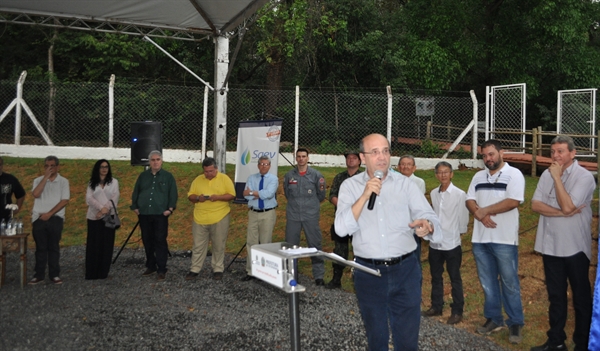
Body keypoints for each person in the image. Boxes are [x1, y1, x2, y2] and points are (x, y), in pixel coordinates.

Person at [334, 133, 441, 350]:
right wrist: (364, 195)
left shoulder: (406, 184)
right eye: (375, 152)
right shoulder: (350, 187)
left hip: (406, 270)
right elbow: (341, 229)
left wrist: (427, 226)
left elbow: (430, 216)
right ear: (363, 158)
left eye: (385, 151)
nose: (382, 157)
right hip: (369, 273)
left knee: (408, 337)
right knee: (377, 336)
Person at [530, 135, 595, 351]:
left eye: (560, 151)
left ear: (572, 153)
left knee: (580, 298)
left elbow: (569, 207)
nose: (555, 156)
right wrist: (561, 212)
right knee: (556, 296)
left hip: (575, 247)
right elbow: (536, 205)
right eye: (553, 152)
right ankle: (556, 341)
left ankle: (583, 343)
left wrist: (558, 178)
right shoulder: (547, 174)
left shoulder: (584, 177)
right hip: (551, 246)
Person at [466, 139, 525, 344]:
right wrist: (479, 214)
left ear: (501, 153)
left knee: (509, 282)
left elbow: (513, 201)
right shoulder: (478, 175)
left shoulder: (514, 174)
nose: (487, 159)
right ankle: (494, 318)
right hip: (480, 239)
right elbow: (469, 200)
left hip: (504, 239)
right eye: (484, 155)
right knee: (488, 282)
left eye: (491, 154)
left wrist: (486, 210)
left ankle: (515, 321)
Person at [422, 161, 468, 325]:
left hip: (452, 243)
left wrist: (458, 233)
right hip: (435, 242)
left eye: (446, 172)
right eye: (440, 172)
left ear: (451, 174)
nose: (443, 175)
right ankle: (436, 305)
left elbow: (463, 218)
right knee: (436, 276)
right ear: (436, 175)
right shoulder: (434, 193)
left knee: (454, 277)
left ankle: (457, 310)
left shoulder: (459, 194)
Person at [130, 150, 178, 281]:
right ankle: (151, 265)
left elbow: (172, 193)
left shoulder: (168, 177)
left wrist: (170, 209)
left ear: (161, 161)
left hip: (160, 214)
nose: (155, 162)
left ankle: (162, 268)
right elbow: (136, 191)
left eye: (158, 160)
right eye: (153, 160)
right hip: (144, 213)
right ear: (149, 162)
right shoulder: (143, 176)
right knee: (147, 240)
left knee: (160, 240)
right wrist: (135, 207)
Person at [186, 157, 235, 281]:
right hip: (200, 218)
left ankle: (218, 269)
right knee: (198, 245)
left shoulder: (224, 178)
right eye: (206, 171)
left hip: (220, 216)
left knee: (218, 244)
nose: (208, 174)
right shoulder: (198, 180)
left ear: (216, 169)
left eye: (211, 171)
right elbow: (190, 196)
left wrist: (218, 197)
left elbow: (232, 195)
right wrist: (198, 198)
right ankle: (195, 269)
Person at [284, 148, 327, 285]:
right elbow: (287, 193)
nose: (301, 159)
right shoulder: (289, 175)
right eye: (299, 156)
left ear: (308, 158)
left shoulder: (316, 175)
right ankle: (291, 274)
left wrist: (310, 206)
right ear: (295, 158)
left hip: (310, 215)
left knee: (315, 245)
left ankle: (319, 276)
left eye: (304, 156)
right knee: (290, 246)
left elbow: (321, 195)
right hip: (293, 215)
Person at [28, 156, 70, 285]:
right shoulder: (38, 180)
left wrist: (50, 213)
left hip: (55, 218)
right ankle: (39, 274)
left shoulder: (63, 181)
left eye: (52, 166)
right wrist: (45, 178)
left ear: (57, 167)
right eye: (47, 166)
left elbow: (65, 200)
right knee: (40, 248)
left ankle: (54, 274)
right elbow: (35, 194)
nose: (49, 168)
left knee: (53, 247)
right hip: (39, 218)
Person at [325, 150, 362, 289]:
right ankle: (336, 279)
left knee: (359, 250)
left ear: (359, 161)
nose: (351, 160)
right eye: (349, 158)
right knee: (339, 250)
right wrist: (343, 206)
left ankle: (359, 280)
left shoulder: (364, 178)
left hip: (359, 221)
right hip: (342, 220)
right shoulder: (340, 177)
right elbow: (332, 195)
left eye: (354, 158)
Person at [241, 155, 278, 281]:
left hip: (267, 213)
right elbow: (246, 195)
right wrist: (257, 194)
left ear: (270, 166)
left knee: (265, 243)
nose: (263, 166)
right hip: (253, 213)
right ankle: (251, 271)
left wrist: (253, 193)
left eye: (266, 164)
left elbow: (268, 194)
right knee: (251, 243)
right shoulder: (251, 178)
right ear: (258, 165)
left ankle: (265, 272)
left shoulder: (273, 179)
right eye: (261, 164)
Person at [85, 159, 120, 280]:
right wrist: (100, 209)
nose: (104, 169)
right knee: (93, 244)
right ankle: (92, 272)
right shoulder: (91, 183)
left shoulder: (114, 182)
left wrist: (105, 209)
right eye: (101, 167)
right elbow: (89, 198)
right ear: (97, 168)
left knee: (107, 244)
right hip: (94, 216)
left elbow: (115, 197)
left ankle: (103, 272)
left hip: (108, 217)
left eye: (106, 167)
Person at [0, 156, 26, 223]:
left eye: (0, 164)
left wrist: (17, 208)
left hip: (5, 217)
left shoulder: (10, 179)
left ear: (2, 166)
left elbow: (21, 194)